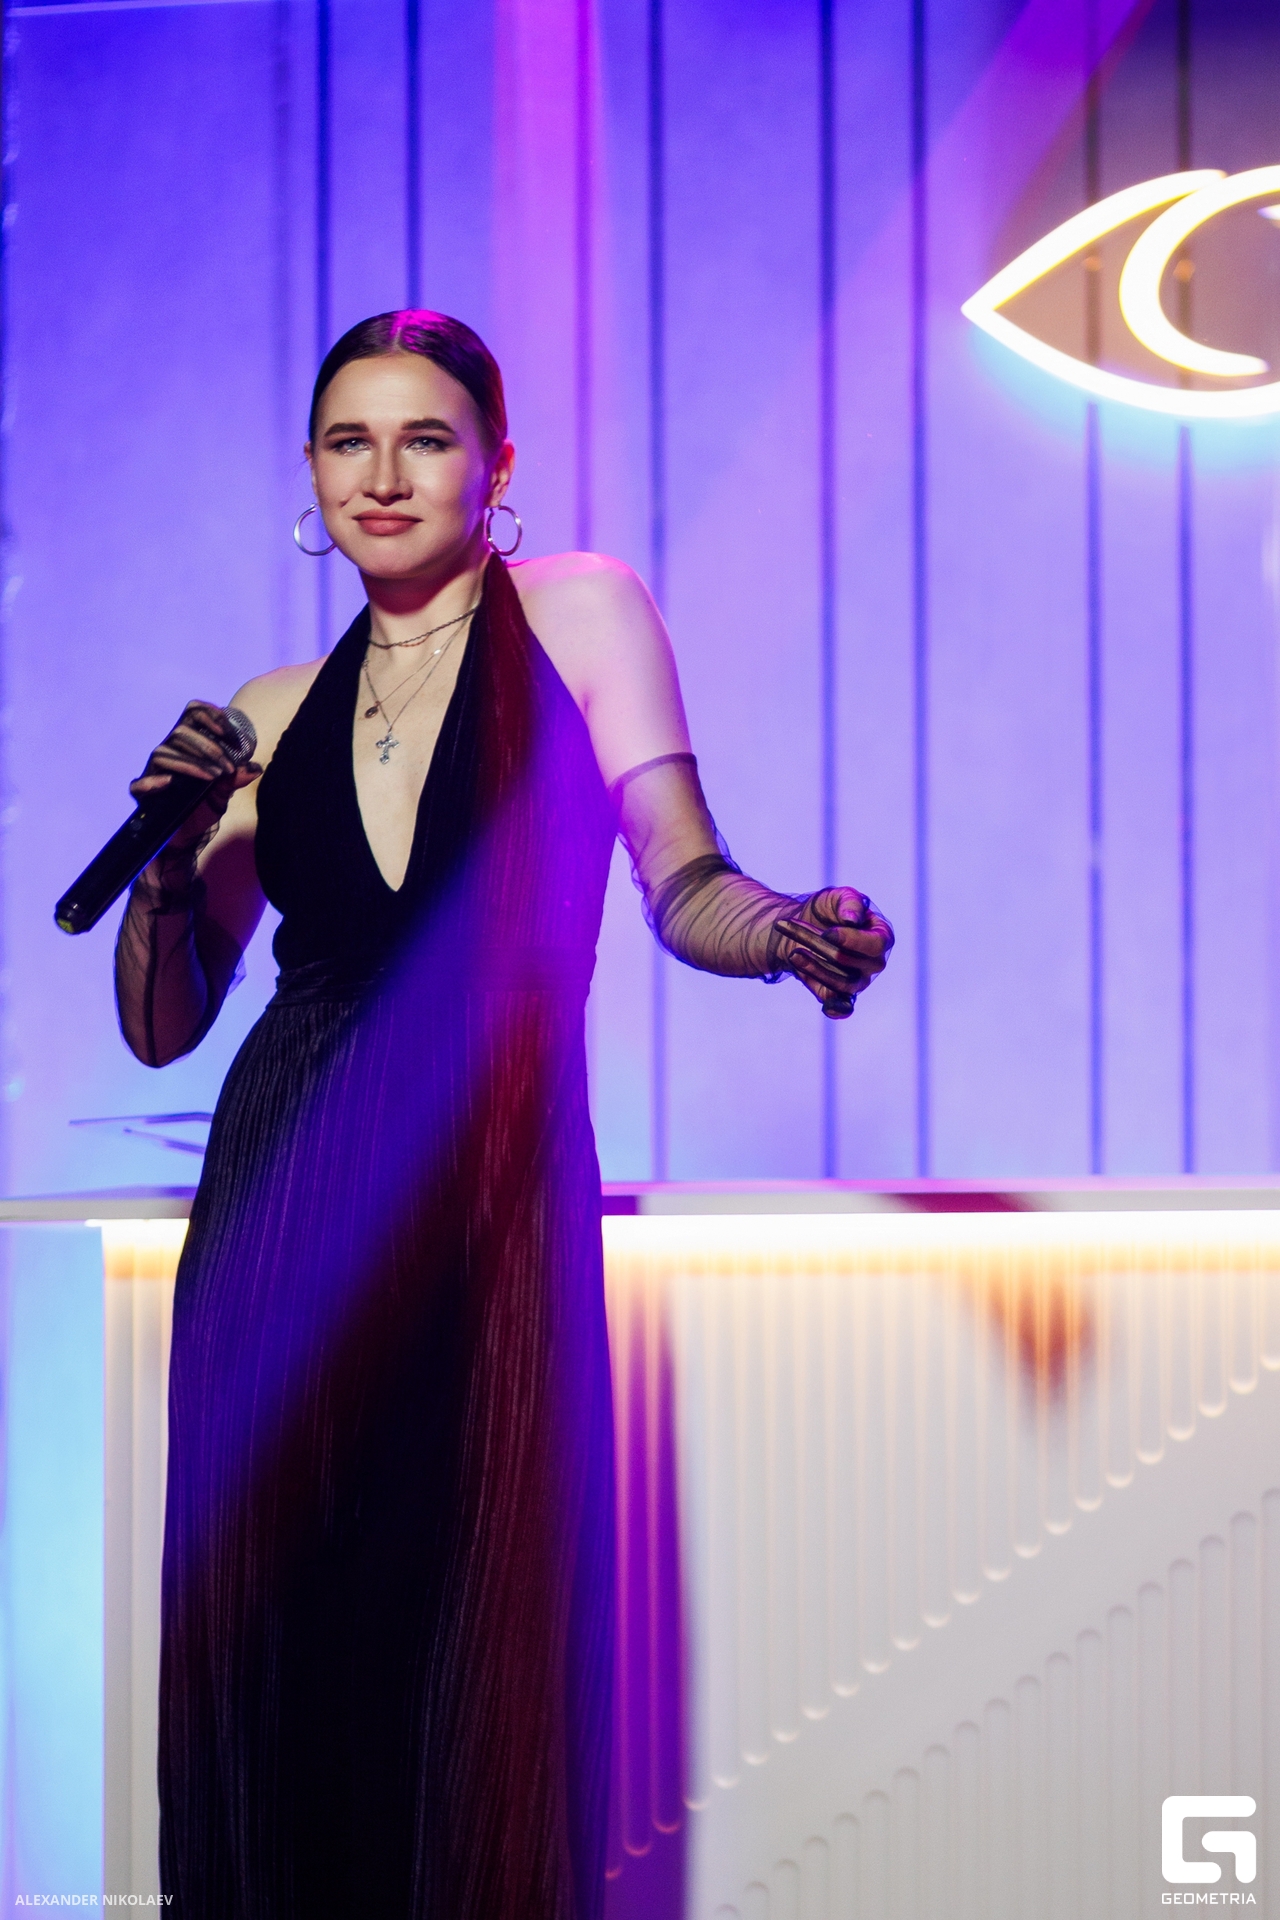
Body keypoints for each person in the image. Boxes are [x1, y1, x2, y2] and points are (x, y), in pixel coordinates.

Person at [113, 310, 893, 1919]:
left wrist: (792, 936)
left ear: (497, 465)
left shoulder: (582, 612)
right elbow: (165, 1022)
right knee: (279, 1632)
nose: (383, 475)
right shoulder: (269, 709)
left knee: (478, 1625)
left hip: (490, 1186)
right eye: (349, 442)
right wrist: (170, 860)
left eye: (426, 439)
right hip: (281, 1200)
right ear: (310, 472)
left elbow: (686, 882)